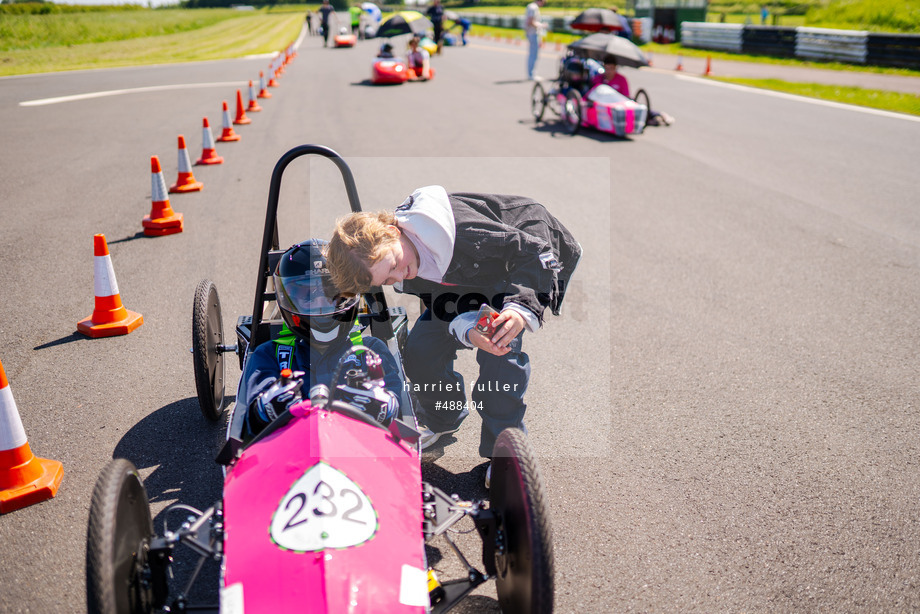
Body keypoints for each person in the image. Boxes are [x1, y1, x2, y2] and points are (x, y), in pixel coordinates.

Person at [327, 187, 582, 487]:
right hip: (466, 287)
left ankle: (505, 454)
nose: (398, 277)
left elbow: (534, 251)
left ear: (392, 232)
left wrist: (520, 308)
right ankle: (441, 418)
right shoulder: (406, 260)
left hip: (517, 267)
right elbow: (441, 301)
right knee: (421, 348)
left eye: (393, 266)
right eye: (388, 280)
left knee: (499, 354)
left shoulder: (464, 233)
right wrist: (466, 327)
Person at [239, 239, 404, 439]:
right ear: (286, 299)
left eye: (331, 293)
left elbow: (397, 404)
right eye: (307, 295)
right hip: (291, 454)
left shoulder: (371, 350)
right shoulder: (269, 355)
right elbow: (251, 419)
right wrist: (266, 409)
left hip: (357, 453)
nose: (319, 304)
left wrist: (383, 405)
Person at [587, 57, 674, 126]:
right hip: (604, 106)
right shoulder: (598, 79)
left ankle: (659, 115)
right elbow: (592, 95)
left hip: (620, 103)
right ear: (604, 68)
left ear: (615, 68)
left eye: (611, 68)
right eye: (607, 69)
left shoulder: (621, 79)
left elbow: (626, 96)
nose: (609, 71)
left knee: (637, 107)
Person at [524, 0, 546, 80]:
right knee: (534, 54)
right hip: (533, 33)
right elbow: (530, 21)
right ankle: (531, 74)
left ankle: (531, 73)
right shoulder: (533, 7)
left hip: (531, 33)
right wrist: (541, 25)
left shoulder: (531, 6)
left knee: (533, 54)